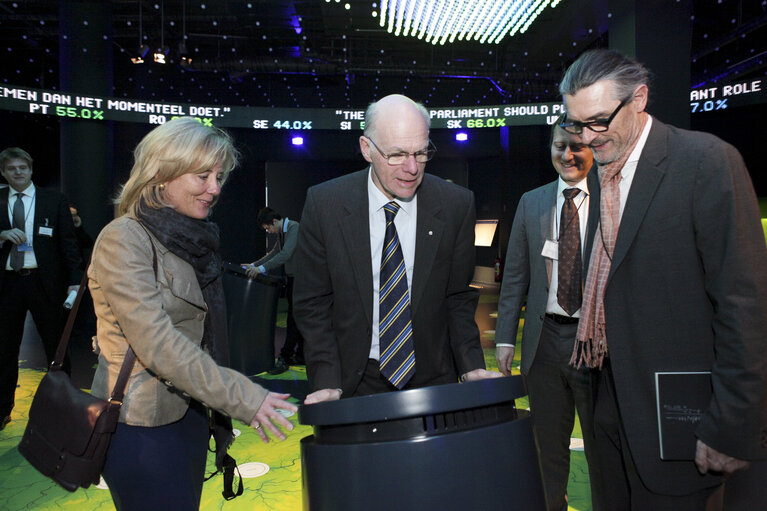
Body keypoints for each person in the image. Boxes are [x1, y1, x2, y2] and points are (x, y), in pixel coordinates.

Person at [560, 49, 767, 509]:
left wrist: (732, 426)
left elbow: (745, 305)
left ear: (639, 99)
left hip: (681, 418)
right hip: (609, 403)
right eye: (576, 124)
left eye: (597, 121)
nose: (586, 138)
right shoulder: (601, 177)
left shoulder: (705, 162)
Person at [88, 117, 297, 510]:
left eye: (219, 176)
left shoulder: (190, 239)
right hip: (142, 426)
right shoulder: (124, 238)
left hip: (192, 414)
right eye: (202, 176)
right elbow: (158, 344)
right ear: (161, 174)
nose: (215, 189)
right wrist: (245, 397)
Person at [293, 94, 500, 404]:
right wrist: (326, 379)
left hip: (432, 382)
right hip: (351, 385)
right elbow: (313, 303)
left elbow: (457, 298)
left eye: (420, 152)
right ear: (366, 148)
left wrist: (471, 366)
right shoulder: (326, 205)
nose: (412, 167)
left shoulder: (455, 204)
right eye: (397, 154)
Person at [495, 118, 602, 511]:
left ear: (593, 147)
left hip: (597, 345)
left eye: (577, 146)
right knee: (547, 449)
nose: (568, 154)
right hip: (545, 345)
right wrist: (505, 338)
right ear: (551, 148)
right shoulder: (533, 201)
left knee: (602, 447)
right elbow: (516, 277)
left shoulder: (613, 197)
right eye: (560, 146)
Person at [0, 147, 82, 431]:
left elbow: (68, 244)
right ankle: (3, 411)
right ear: (3, 172)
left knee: (55, 348)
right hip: (7, 283)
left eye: (23, 167)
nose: (18, 172)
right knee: (4, 350)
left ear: (31, 169)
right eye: (12, 169)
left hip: (44, 282)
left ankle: (63, 407)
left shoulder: (53, 200)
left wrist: (75, 280)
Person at [243, 207, 304, 373]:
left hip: (303, 279)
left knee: (294, 318)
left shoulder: (294, 228)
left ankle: (285, 357)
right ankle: (300, 354)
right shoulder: (283, 232)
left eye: (268, 228)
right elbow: (275, 252)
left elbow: (285, 254)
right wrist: (254, 265)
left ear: (275, 221)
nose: (268, 232)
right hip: (294, 278)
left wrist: (262, 269)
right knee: (298, 318)